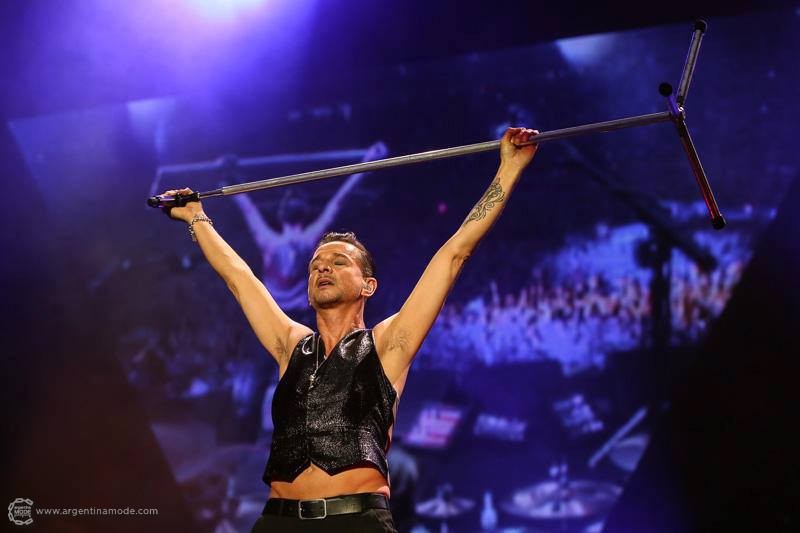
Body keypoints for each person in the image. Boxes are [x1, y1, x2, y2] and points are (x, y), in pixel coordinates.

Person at [161, 127, 539, 532]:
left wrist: (509, 169)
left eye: (339, 262)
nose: (323, 267)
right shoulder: (291, 345)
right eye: (316, 265)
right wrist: (195, 215)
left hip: (355, 520)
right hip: (277, 521)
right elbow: (239, 277)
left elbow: (454, 253)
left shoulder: (389, 343)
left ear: (368, 286)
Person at [228, 142, 389, 310]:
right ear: (304, 213)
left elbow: (246, 206)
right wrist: (367, 162)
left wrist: (229, 174)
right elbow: (340, 200)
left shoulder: (268, 240)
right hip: (294, 305)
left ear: (281, 215)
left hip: (278, 304)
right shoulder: (308, 238)